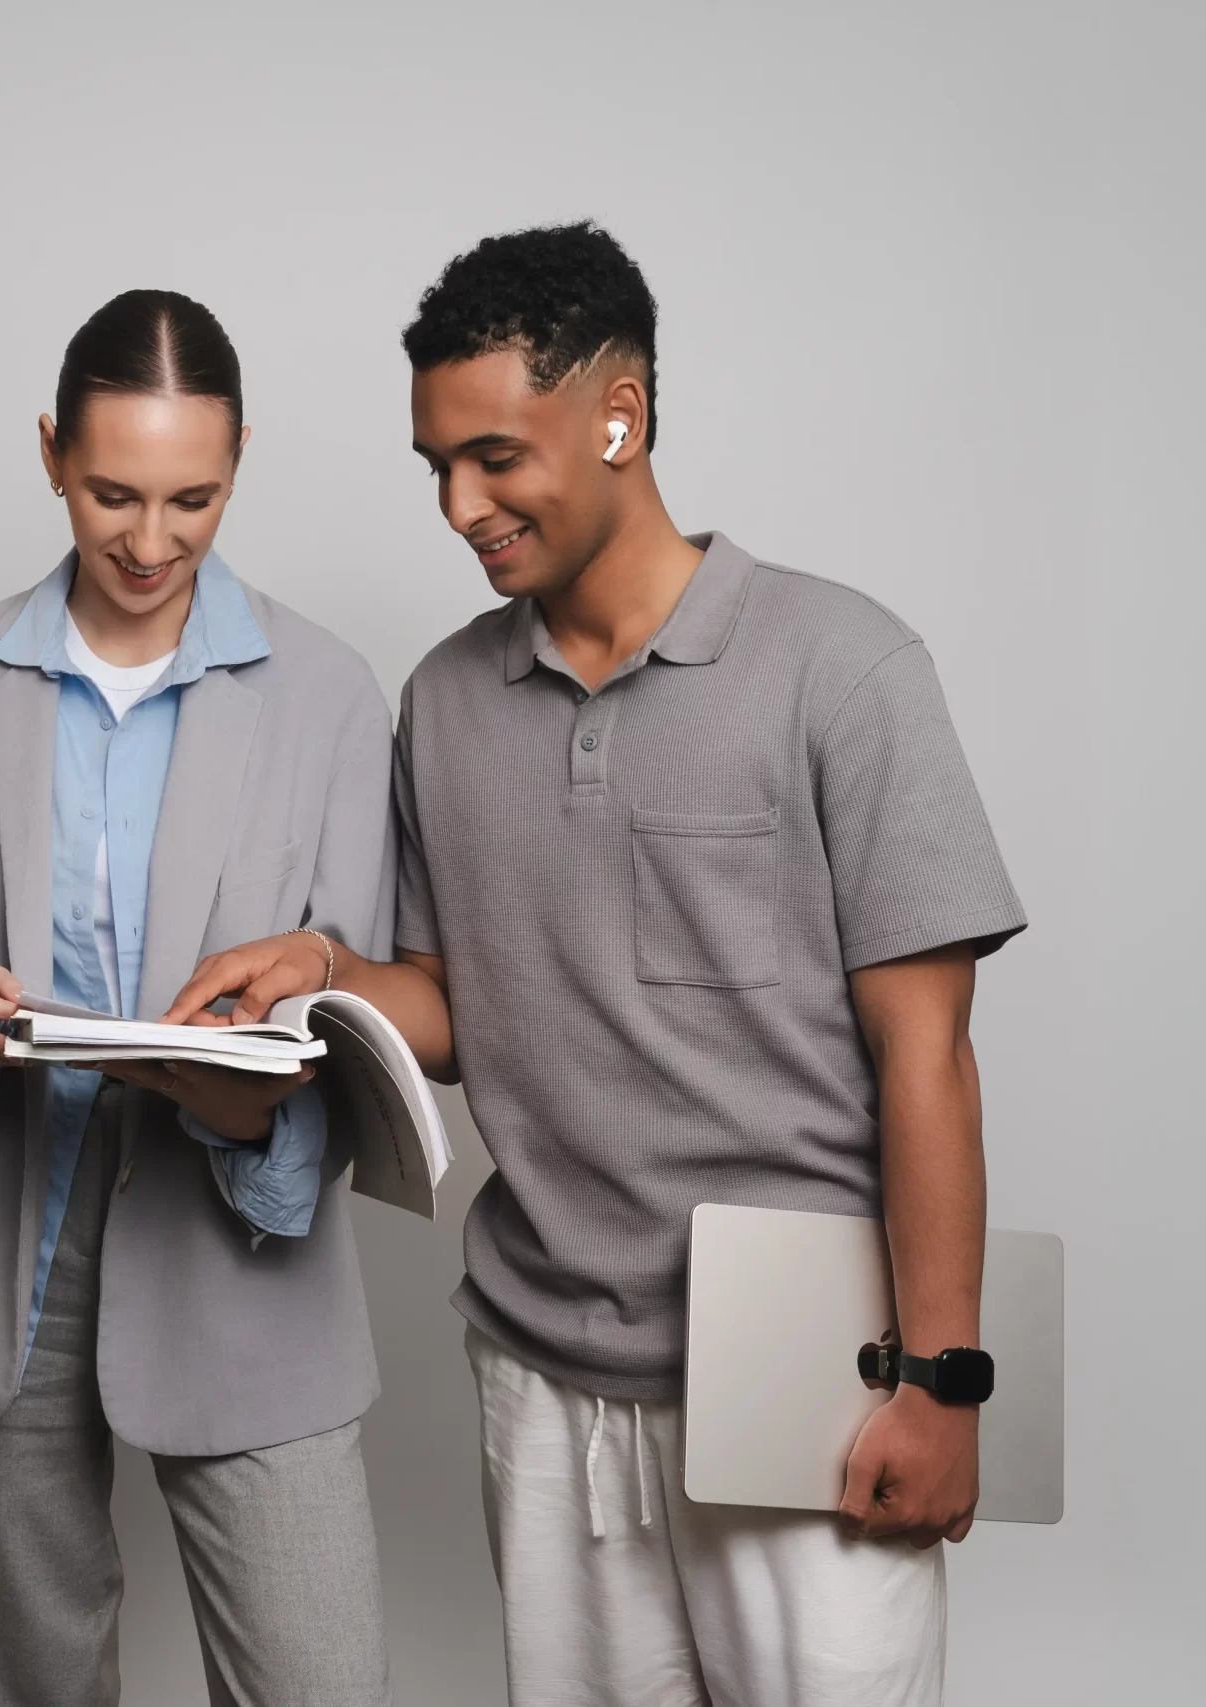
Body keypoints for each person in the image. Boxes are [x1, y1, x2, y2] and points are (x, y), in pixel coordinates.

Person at [168, 221, 1028, 1706]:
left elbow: (927, 1054)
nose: (459, 504)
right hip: (543, 1362)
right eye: (436, 463)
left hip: (812, 1365)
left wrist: (942, 1379)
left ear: (621, 413)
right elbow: (462, 1003)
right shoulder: (444, 700)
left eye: (495, 455)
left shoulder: (844, 666)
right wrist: (319, 972)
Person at [0, 289, 395, 1707]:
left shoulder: (329, 693)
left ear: (241, 463)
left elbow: (356, 976)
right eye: (113, 494)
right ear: (49, 455)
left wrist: (269, 1064)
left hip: (236, 1239)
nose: (152, 543)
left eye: (194, 498)